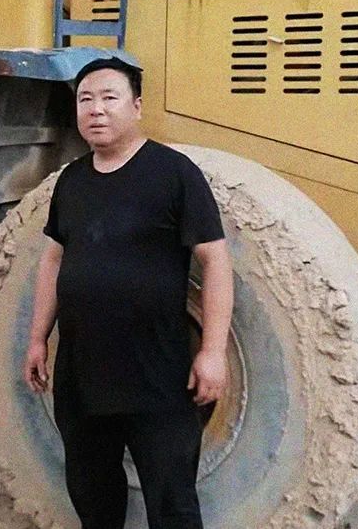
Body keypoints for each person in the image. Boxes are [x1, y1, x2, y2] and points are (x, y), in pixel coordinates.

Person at [23, 57, 234, 529]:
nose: (95, 110)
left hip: (156, 374)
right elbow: (53, 259)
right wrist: (39, 337)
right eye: (85, 100)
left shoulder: (175, 173)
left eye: (108, 97)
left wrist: (214, 351)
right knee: (92, 493)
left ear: (136, 107)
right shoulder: (71, 181)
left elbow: (215, 260)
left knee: (171, 500)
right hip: (81, 373)